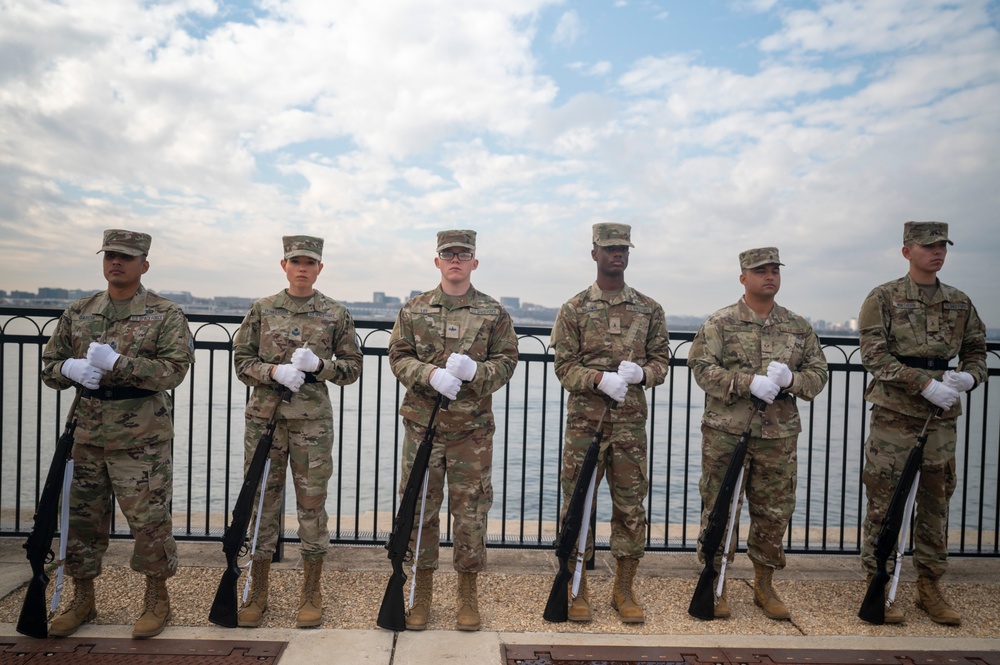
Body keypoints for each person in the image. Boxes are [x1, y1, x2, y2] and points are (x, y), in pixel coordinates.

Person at [40, 229, 194, 638]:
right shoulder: (79, 311)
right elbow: (49, 365)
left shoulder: (165, 314)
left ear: (144, 264)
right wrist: (67, 369)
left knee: (149, 524)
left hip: (141, 436)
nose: (116, 262)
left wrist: (120, 364)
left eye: (126, 256)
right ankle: (83, 600)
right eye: (110, 254)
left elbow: (173, 371)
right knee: (80, 522)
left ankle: (156, 600)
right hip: (86, 432)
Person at [387, 229, 518, 631]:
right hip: (423, 430)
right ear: (437, 262)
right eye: (448, 254)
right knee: (420, 513)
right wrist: (428, 375)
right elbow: (398, 356)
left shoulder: (493, 313)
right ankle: (421, 593)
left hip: (471, 435)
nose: (455, 260)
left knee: (471, 515)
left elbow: (508, 361)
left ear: (474, 262)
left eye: (463, 254)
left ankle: (467, 594)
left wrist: (478, 372)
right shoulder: (415, 309)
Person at [688, 246, 828, 621]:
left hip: (778, 437)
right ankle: (714, 581)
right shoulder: (720, 323)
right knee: (720, 509)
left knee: (773, 512)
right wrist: (746, 383)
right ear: (743, 278)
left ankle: (764, 586)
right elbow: (701, 369)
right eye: (760, 270)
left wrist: (793, 380)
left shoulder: (798, 327)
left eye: (774, 270)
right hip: (727, 434)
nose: (770, 276)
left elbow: (819, 375)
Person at [858, 222, 987, 626]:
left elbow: (977, 352)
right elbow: (874, 357)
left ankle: (929, 587)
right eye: (928, 246)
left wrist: (968, 378)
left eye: (942, 246)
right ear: (906, 251)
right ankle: (879, 581)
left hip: (941, 419)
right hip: (895, 418)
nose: (937, 252)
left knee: (935, 505)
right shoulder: (883, 297)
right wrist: (922, 384)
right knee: (885, 503)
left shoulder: (960, 302)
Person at [232, 235, 362, 628]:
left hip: (311, 426)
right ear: (284, 265)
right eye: (296, 261)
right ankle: (258, 591)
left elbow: (352, 368)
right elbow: (241, 361)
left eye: (310, 262)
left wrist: (321, 366)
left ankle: (311, 592)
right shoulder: (263, 309)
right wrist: (272, 371)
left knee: (311, 508)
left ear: (320, 268)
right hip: (265, 423)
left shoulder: (335, 313)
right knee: (262, 507)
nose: (302, 267)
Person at [550, 222, 671, 624]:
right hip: (585, 426)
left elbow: (661, 363)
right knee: (578, 505)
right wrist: (598, 378)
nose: (617, 254)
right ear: (595, 254)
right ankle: (579, 585)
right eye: (609, 248)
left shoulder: (649, 309)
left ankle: (624, 589)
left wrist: (644, 375)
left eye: (623, 248)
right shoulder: (574, 308)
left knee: (631, 509)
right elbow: (564, 367)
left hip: (630, 428)